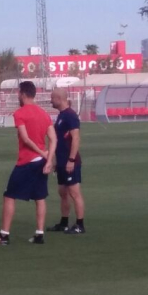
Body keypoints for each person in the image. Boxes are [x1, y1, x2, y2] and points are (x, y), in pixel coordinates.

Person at [0, 81, 56, 246]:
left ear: (23, 94)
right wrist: (48, 158)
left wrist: (42, 154)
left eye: (18, 93)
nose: (18, 96)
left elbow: (25, 139)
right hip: (41, 161)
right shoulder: (44, 113)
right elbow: (53, 139)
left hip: (27, 161)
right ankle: (39, 234)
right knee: (40, 197)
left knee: (9, 196)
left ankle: (4, 234)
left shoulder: (20, 113)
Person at [49, 88, 86, 235]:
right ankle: (64, 223)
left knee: (74, 192)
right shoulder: (61, 116)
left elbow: (76, 138)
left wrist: (71, 160)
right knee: (62, 192)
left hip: (70, 162)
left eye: (52, 98)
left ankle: (80, 224)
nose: (51, 101)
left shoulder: (70, 116)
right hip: (62, 162)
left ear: (59, 98)